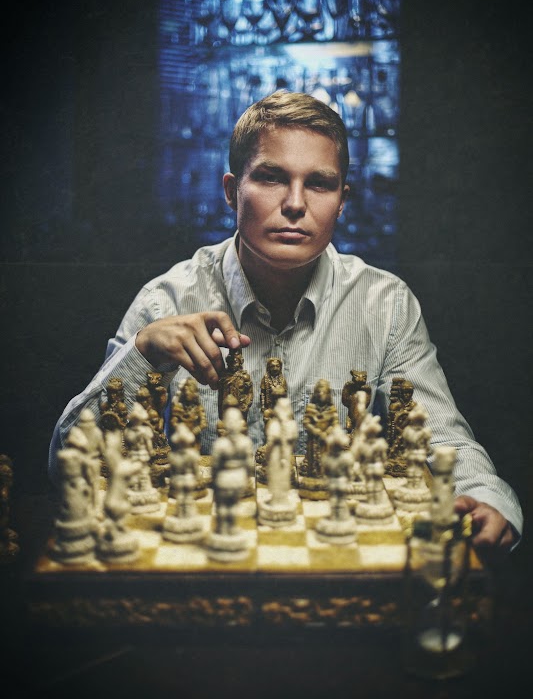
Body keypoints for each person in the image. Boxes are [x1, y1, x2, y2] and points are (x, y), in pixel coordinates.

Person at [49, 90, 523, 552]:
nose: (295, 203)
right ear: (232, 192)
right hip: (203, 554)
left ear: (341, 200)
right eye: (272, 178)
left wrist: (486, 497)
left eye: (319, 183)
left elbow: (443, 438)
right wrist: (143, 353)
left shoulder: (386, 305)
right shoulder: (165, 301)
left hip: (337, 556)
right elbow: (66, 462)